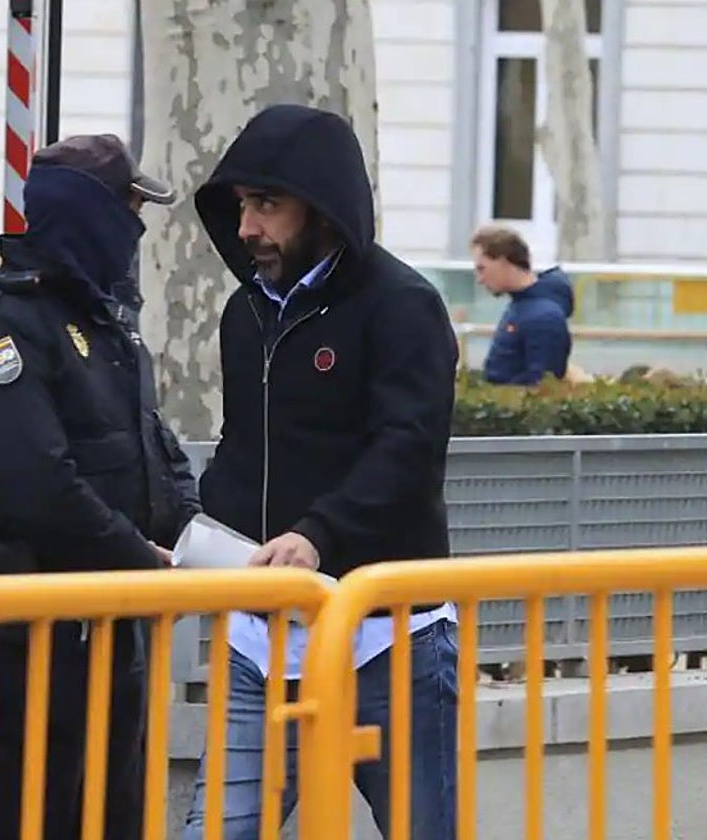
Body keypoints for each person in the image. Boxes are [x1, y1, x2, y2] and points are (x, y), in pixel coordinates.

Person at [182, 103, 460, 839]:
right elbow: (244, 448)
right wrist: (189, 534)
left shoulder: (402, 306)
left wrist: (317, 536)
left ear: (324, 208)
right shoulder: (244, 313)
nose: (247, 228)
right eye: (241, 206)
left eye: (267, 205)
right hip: (261, 642)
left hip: (388, 639)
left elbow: (407, 448)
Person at [0, 133, 201, 840]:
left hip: (111, 637)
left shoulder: (107, 329)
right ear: (94, 214)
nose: (137, 230)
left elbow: (155, 456)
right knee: (29, 817)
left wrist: (202, 544)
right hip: (28, 644)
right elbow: (39, 487)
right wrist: (143, 563)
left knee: (115, 816)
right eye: (130, 209)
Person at [470, 224, 574, 385]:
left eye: (482, 269)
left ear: (503, 261)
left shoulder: (544, 317)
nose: (480, 279)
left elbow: (543, 385)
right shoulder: (522, 306)